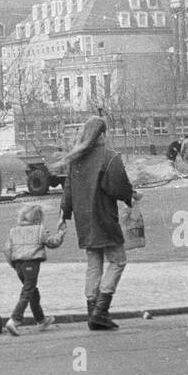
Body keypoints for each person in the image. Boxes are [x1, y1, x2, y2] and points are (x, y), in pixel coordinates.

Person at [60, 115, 140, 330]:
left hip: (84, 221)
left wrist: (64, 216)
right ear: (103, 134)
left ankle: (91, 310)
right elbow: (118, 188)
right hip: (104, 218)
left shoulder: (75, 159)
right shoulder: (110, 157)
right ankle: (100, 311)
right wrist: (131, 195)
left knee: (93, 264)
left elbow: (67, 192)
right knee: (118, 261)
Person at [2, 204, 65, 335]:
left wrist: (14, 265)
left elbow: (7, 250)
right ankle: (14, 320)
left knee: (32, 292)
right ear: (39, 218)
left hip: (18, 265)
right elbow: (52, 243)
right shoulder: (39, 229)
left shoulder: (14, 230)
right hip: (31, 264)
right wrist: (60, 234)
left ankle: (41, 319)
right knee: (27, 292)